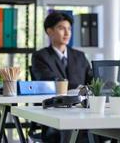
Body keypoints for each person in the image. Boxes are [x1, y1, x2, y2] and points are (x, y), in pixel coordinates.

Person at [31, 12, 92, 143]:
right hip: (54, 114)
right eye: (61, 28)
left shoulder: (80, 56)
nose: (67, 33)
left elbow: (92, 79)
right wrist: (79, 87)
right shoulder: (40, 56)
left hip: (82, 112)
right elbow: (49, 81)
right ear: (49, 31)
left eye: (69, 29)